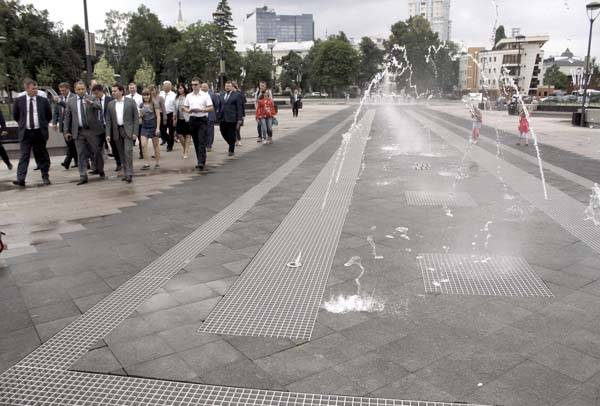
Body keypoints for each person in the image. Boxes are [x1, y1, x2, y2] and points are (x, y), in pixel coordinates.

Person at [12, 78, 52, 187]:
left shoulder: (43, 100)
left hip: (39, 132)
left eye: (36, 88)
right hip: (26, 133)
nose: (35, 90)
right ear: (26, 88)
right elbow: (16, 115)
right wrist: (23, 124)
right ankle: (20, 179)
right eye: (33, 88)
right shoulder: (19, 100)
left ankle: (45, 176)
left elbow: (49, 115)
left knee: (41, 155)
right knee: (24, 155)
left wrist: (42, 124)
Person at [64, 81, 105, 185]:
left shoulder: (92, 98)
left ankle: (100, 169)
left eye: (83, 89)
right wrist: (66, 131)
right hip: (78, 131)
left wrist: (91, 103)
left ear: (86, 89)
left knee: (97, 151)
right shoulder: (71, 101)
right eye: (79, 89)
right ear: (75, 90)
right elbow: (68, 117)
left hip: (91, 130)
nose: (81, 91)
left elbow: (99, 107)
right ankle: (83, 176)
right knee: (81, 153)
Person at [106, 84, 139, 183]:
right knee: (121, 153)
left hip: (128, 131)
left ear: (121, 91)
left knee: (128, 152)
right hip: (117, 131)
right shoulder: (110, 104)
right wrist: (108, 134)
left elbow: (136, 118)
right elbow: (108, 120)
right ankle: (126, 172)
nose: (113, 93)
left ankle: (129, 173)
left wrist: (135, 132)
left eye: (115, 91)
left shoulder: (130, 102)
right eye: (112, 91)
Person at [183, 78, 214, 171]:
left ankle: (201, 161)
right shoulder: (189, 96)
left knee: (201, 140)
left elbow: (211, 108)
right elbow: (184, 107)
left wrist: (202, 110)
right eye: (192, 85)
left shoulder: (205, 95)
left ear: (200, 85)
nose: (194, 86)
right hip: (192, 120)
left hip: (202, 119)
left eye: (196, 84)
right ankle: (200, 160)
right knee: (196, 141)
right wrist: (188, 110)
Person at [52, 82, 78, 170]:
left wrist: (60, 102)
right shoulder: (59, 98)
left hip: (73, 125)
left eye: (64, 90)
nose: (62, 92)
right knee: (70, 145)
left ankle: (68, 162)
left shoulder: (74, 97)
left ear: (68, 89)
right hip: (64, 125)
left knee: (72, 144)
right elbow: (56, 112)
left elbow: (69, 107)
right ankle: (75, 162)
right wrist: (54, 123)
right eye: (61, 91)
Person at [91, 84, 115, 172]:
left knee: (114, 145)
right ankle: (97, 168)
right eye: (94, 94)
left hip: (108, 126)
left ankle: (119, 163)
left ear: (101, 91)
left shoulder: (110, 100)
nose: (95, 95)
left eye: (96, 93)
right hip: (98, 127)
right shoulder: (93, 100)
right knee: (96, 148)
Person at [219, 81, 244, 156]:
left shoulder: (237, 95)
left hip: (232, 118)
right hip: (223, 118)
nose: (227, 87)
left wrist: (239, 119)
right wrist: (218, 115)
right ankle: (231, 143)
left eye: (229, 86)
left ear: (232, 87)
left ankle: (231, 150)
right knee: (223, 132)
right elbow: (220, 106)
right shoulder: (222, 94)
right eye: (226, 86)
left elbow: (239, 108)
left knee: (231, 134)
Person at [139, 88, 162, 169]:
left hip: (153, 126)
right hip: (144, 126)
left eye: (147, 95)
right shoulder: (141, 105)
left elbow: (158, 116)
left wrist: (158, 128)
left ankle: (157, 163)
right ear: (142, 96)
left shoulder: (154, 103)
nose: (146, 97)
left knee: (156, 145)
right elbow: (140, 116)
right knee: (143, 144)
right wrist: (140, 115)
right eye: (144, 95)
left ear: (150, 95)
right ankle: (146, 164)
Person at [126, 82, 144, 159]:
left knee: (140, 137)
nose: (132, 89)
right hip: (129, 121)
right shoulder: (126, 97)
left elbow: (142, 108)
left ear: (136, 88)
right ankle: (129, 153)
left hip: (138, 120)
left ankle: (142, 152)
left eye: (133, 88)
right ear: (128, 89)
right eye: (130, 88)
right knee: (129, 138)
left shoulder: (140, 97)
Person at [174, 83, 192, 159]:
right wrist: (174, 118)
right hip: (179, 119)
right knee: (180, 135)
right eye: (179, 88)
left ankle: (186, 151)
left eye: (181, 88)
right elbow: (175, 109)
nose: (180, 90)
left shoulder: (188, 97)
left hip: (187, 118)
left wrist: (186, 110)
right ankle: (185, 148)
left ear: (184, 88)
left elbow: (191, 107)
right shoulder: (176, 98)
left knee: (188, 135)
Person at [159, 81, 177, 151]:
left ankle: (170, 146)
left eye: (168, 85)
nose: (166, 87)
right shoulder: (160, 94)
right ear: (163, 86)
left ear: (170, 86)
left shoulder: (174, 95)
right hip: (162, 114)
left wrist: (175, 116)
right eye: (165, 85)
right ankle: (169, 140)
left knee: (171, 131)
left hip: (171, 114)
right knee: (162, 130)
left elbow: (175, 106)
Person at [203, 83, 221, 152]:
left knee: (210, 131)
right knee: (203, 131)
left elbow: (216, 104)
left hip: (210, 116)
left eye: (204, 87)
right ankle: (204, 144)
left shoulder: (212, 95)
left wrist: (213, 112)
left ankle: (209, 145)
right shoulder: (200, 95)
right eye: (202, 87)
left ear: (208, 88)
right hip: (202, 116)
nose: (203, 88)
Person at [232, 81, 246, 147]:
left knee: (237, 128)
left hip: (239, 114)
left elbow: (243, 103)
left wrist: (243, 115)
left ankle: (239, 140)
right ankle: (235, 140)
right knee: (233, 129)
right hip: (232, 114)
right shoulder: (230, 94)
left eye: (233, 86)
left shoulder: (239, 93)